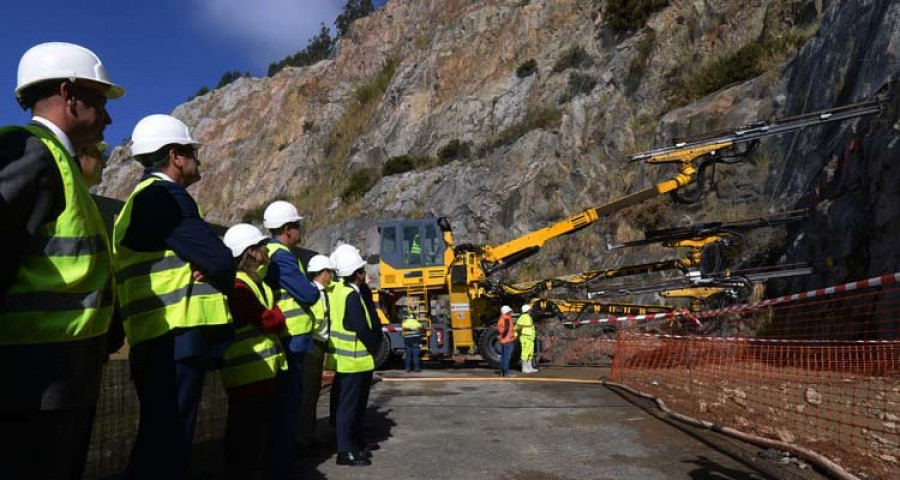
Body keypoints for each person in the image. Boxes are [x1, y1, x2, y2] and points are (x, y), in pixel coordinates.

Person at [0, 42, 123, 480]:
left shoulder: (63, 167)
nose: (108, 118)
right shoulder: (32, 155)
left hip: (62, 378)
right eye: (100, 101)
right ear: (70, 95)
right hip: (34, 385)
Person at [113, 114, 235, 480]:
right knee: (168, 443)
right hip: (174, 336)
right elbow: (220, 258)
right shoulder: (164, 196)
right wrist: (214, 266)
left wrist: (209, 264)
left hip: (156, 336)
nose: (198, 159)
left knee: (158, 438)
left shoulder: (139, 199)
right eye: (192, 151)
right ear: (175, 156)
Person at [221, 224, 289, 480]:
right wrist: (277, 315)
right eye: (261, 246)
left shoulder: (252, 282)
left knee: (251, 436)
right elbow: (269, 320)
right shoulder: (239, 286)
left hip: (259, 371)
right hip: (247, 372)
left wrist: (275, 315)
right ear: (250, 252)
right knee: (245, 439)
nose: (265, 250)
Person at [260, 200, 320, 467]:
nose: (299, 230)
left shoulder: (272, 253)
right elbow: (307, 294)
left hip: (289, 337)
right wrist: (314, 287)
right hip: (292, 338)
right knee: (287, 405)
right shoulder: (281, 256)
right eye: (297, 225)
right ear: (287, 228)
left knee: (284, 405)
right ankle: (281, 463)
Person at [328, 244, 380, 466]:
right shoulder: (351, 296)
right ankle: (345, 450)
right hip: (354, 360)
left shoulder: (340, 290)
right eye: (361, 269)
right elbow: (361, 327)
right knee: (349, 409)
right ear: (356, 273)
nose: (364, 273)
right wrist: (374, 346)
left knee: (348, 407)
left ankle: (351, 445)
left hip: (348, 360)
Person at [297, 254, 335, 451]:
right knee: (308, 396)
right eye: (330, 272)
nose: (332, 277)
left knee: (311, 396)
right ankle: (304, 440)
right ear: (323, 273)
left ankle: (307, 436)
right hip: (312, 346)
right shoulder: (314, 294)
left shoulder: (319, 293)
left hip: (316, 345)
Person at [516, 304, 538, 373]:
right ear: (527, 310)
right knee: (525, 353)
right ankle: (524, 368)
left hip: (530, 338)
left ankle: (529, 367)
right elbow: (517, 328)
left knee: (530, 353)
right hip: (525, 338)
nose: (530, 311)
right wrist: (516, 335)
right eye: (529, 310)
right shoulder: (522, 318)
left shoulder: (529, 317)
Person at [497, 305, 516, 377]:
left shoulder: (501, 318)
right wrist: (504, 336)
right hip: (508, 340)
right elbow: (506, 329)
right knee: (506, 357)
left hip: (504, 341)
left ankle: (502, 372)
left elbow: (501, 330)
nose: (511, 312)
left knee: (503, 356)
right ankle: (506, 372)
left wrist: (501, 336)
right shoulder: (506, 319)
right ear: (507, 312)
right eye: (509, 311)